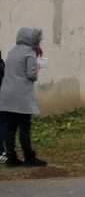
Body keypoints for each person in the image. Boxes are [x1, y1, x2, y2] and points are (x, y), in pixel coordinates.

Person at [0, 28, 46, 167]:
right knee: (24, 128)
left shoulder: (12, 51)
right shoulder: (29, 53)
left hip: (7, 95)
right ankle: (29, 157)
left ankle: (11, 158)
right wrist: (38, 67)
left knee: (10, 128)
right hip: (21, 97)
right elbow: (31, 75)